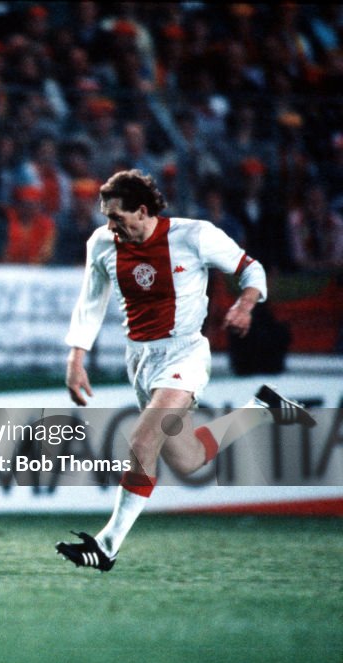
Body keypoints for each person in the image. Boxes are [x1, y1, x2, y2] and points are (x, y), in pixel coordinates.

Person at [56, 169, 315, 572]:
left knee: (142, 441)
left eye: (117, 217)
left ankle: (107, 545)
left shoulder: (194, 236)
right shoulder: (103, 243)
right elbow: (90, 302)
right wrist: (75, 358)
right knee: (188, 458)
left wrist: (244, 304)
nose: (110, 226)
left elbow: (252, 270)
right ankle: (260, 409)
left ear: (142, 211)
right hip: (140, 359)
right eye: (106, 217)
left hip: (185, 354)